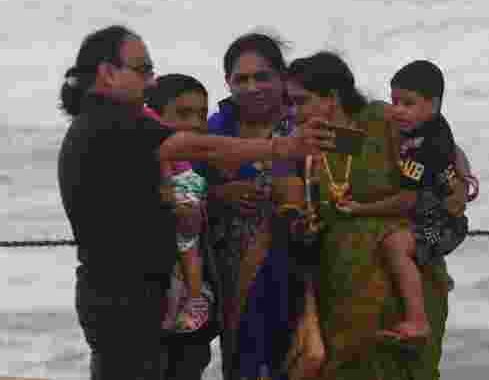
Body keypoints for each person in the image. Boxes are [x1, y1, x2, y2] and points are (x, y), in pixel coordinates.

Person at [57, 25, 332, 380]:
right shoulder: (114, 122)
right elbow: (197, 147)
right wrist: (283, 147)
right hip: (125, 298)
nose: (151, 81)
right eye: (143, 70)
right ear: (108, 74)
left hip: (121, 293)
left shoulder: (96, 123)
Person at [285, 51, 475, 379]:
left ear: (332, 98)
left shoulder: (379, 120)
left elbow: (442, 145)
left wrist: (464, 177)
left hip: (403, 280)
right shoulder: (307, 147)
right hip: (342, 284)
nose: (293, 111)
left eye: (301, 101)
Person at [199, 31, 307, 380]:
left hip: (302, 271)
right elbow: (176, 188)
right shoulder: (213, 131)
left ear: (282, 78)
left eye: (262, 76)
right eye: (240, 79)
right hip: (235, 278)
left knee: (303, 360)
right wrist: (220, 195)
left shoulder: (306, 124)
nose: (252, 87)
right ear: (227, 83)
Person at [369, 59, 469, 343]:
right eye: (394, 101)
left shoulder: (429, 148)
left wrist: (358, 207)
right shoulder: (429, 125)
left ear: (433, 105)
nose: (397, 110)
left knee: (396, 245)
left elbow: (406, 199)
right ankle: (431, 267)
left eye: (407, 103)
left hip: (445, 224)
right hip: (431, 213)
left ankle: (417, 319)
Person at [144, 74, 220, 379]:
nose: (196, 123)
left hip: (190, 323)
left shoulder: (197, 164)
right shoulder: (145, 162)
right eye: (183, 114)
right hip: (149, 308)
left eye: (201, 114)